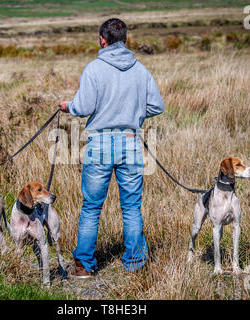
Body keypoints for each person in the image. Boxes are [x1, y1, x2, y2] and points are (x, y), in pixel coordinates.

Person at [59, 18, 164, 278]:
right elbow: (157, 106)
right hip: (130, 142)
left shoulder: (93, 69)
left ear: (102, 39)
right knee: (131, 207)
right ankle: (135, 264)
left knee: (92, 207)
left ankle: (83, 266)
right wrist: (134, 114)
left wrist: (68, 106)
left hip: (100, 143)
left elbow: (82, 108)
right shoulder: (141, 70)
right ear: (125, 39)